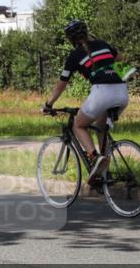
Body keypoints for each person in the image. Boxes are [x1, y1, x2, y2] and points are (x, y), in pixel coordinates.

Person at [42, 20, 130, 183]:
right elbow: (122, 59)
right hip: (123, 92)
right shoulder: (103, 44)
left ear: (71, 39)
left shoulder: (74, 55)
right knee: (100, 128)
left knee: (78, 125)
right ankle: (104, 172)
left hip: (102, 92)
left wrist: (48, 104)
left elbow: (62, 84)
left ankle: (95, 158)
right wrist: (116, 75)